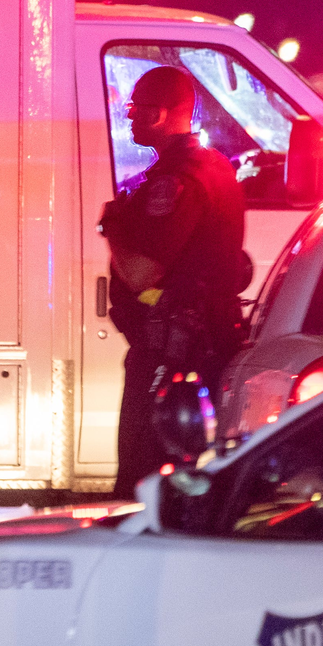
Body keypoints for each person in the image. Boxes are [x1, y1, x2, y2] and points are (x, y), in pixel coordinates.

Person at [99, 65, 249, 499]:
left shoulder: (175, 180)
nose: (128, 117)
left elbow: (143, 273)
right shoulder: (216, 168)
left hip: (171, 356)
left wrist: (112, 225)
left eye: (135, 108)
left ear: (160, 115)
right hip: (201, 350)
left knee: (141, 480)